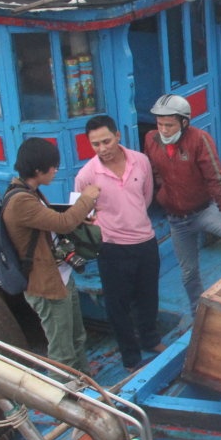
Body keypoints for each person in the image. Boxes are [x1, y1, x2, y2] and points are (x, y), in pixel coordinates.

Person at [143, 93, 221, 312]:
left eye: (170, 125)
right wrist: (161, 195)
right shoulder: (150, 139)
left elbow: (214, 176)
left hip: (204, 211)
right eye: (160, 124)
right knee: (188, 273)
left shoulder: (199, 139)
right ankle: (199, 312)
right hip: (177, 220)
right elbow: (153, 173)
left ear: (184, 123)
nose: (164, 130)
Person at [4, 138, 101, 373]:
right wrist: (87, 198)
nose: (56, 171)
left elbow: (53, 222)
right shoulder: (20, 201)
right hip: (45, 286)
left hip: (60, 276)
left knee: (77, 336)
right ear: (38, 170)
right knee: (61, 351)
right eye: (53, 167)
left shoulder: (31, 192)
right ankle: (64, 396)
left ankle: (84, 380)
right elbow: (64, 223)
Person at [76, 115, 161, 370]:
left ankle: (151, 339)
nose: (102, 149)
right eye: (95, 144)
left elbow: (146, 197)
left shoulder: (141, 161)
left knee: (148, 296)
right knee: (117, 306)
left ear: (117, 136)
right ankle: (131, 358)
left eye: (106, 141)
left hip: (145, 240)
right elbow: (84, 214)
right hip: (111, 247)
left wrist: (132, 221)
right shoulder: (86, 175)